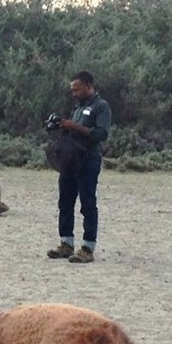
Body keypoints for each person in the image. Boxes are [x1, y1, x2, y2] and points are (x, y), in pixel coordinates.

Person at [46, 70, 112, 264]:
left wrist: (73, 126)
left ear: (89, 86)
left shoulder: (101, 107)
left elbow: (101, 134)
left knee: (87, 202)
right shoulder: (78, 107)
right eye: (72, 90)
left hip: (88, 160)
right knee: (65, 201)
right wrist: (58, 125)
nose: (74, 93)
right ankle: (66, 243)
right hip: (70, 160)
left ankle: (88, 247)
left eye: (77, 89)